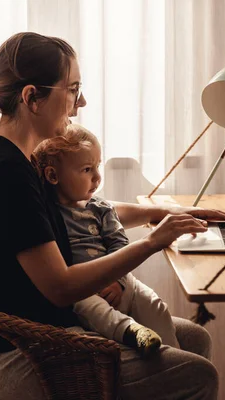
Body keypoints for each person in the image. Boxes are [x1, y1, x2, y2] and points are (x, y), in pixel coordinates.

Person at [0, 31, 225, 400]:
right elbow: (61, 286)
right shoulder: (4, 172)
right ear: (32, 97)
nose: (80, 101)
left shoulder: (18, 156)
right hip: (21, 353)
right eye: (72, 89)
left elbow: (81, 210)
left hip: (44, 331)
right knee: (199, 375)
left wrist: (162, 211)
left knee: (194, 339)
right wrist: (152, 242)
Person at [32, 124, 181, 357]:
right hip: (85, 288)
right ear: (53, 175)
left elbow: (118, 242)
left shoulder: (100, 208)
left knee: (154, 304)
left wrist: (118, 281)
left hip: (118, 278)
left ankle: (173, 355)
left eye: (97, 166)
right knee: (90, 307)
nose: (97, 177)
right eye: (86, 169)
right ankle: (132, 331)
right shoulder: (47, 214)